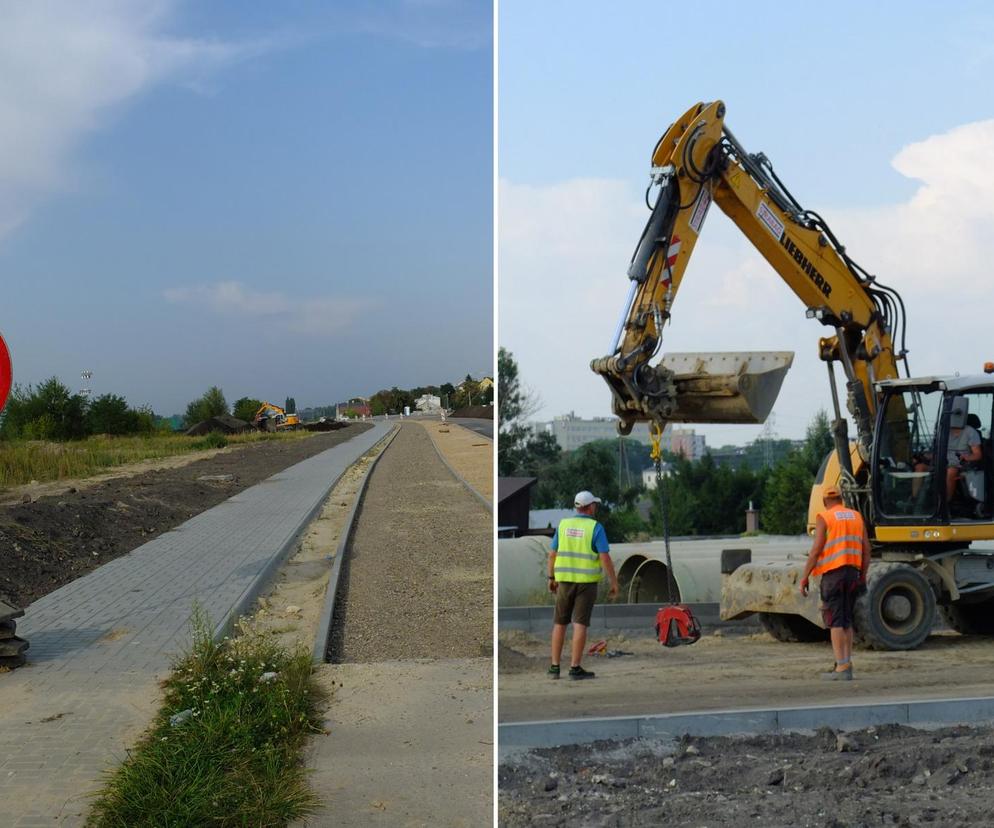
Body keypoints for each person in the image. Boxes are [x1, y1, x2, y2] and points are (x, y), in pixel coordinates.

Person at [799, 485, 870, 681]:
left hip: (833, 576)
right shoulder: (856, 516)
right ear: (842, 499)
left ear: (824, 502)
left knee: (835, 621)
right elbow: (867, 549)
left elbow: (815, 551)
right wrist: (862, 575)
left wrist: (805, 576)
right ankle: (847, 662)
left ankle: (842, 667)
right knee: (846, 620)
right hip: (852, 573)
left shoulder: (825, 517)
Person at [547, 490, 619, 680]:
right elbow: (605, 557)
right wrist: (614, 582)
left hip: (564, 582)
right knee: (580, 624)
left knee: (560, 623)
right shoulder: (596, 528)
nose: (596, 507)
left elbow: (552, 554)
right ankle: (575, 668)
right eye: (594, 504)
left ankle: (554, 667)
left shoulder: (563, 525)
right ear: (590, 507)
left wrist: (551, 577)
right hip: (586, 585)